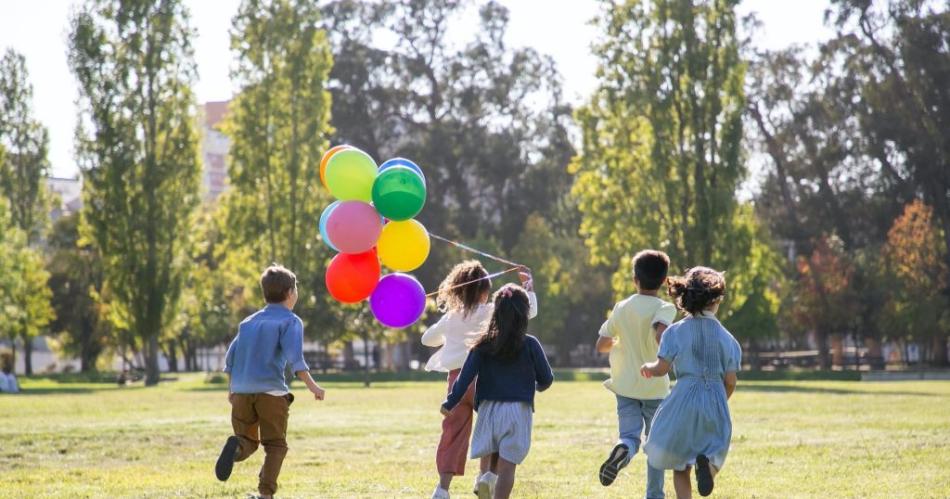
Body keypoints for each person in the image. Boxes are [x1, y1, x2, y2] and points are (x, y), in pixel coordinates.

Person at [422, 261, 537, 499]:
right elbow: (528, 311)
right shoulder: (489, 311)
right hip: (485, 380)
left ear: (458, 290)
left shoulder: (451, 317)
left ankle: (442, 489)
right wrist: (529, 287)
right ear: (485, 291)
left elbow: (427, 339)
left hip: (456, 382)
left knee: (452, 433)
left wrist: (452, 338)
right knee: (493, 428)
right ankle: (485, 476)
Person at [214, 265, 326, 499]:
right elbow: (296, 359)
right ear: (289, 293)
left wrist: (232, 389)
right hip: (271, 393)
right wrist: (313, 386)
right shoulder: (290, 321)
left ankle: (236, 448)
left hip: (241, 392)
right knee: (275, 445)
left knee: (248, 441)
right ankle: (265, 494)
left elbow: (230, 358)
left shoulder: (248, 323)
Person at [440, 284, 553, 499]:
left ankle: (486, 478)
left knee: (492, 450)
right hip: (518, 411)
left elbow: (465, 378)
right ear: (524, 314)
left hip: (488, 410)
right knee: (508, 467)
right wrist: (536, 387)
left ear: (496, 312)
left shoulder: (482, 345)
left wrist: (450, 402)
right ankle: (494, 487)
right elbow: (546, 378)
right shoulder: (530, 344)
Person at [640, 267, 741, 498]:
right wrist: (719, 400)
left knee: (680, 464)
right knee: (716, 449)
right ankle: (707, 468)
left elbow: (662, 368)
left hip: (683, 401)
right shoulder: (727, 339)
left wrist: (649, 368)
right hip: (714, 399)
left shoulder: (674, 332)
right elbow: (730, 381)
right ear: (716, 300)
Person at [595, 250, 676, 497]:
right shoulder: (666, 307)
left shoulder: (622, 307)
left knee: (629, 436)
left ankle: (623, 449)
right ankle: (654, 494)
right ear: (663, 281)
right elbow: (661, 333)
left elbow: (601, 344)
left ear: (635, 279)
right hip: (654, 387)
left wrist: (620, 341)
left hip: (625, 385)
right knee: (656, 444)